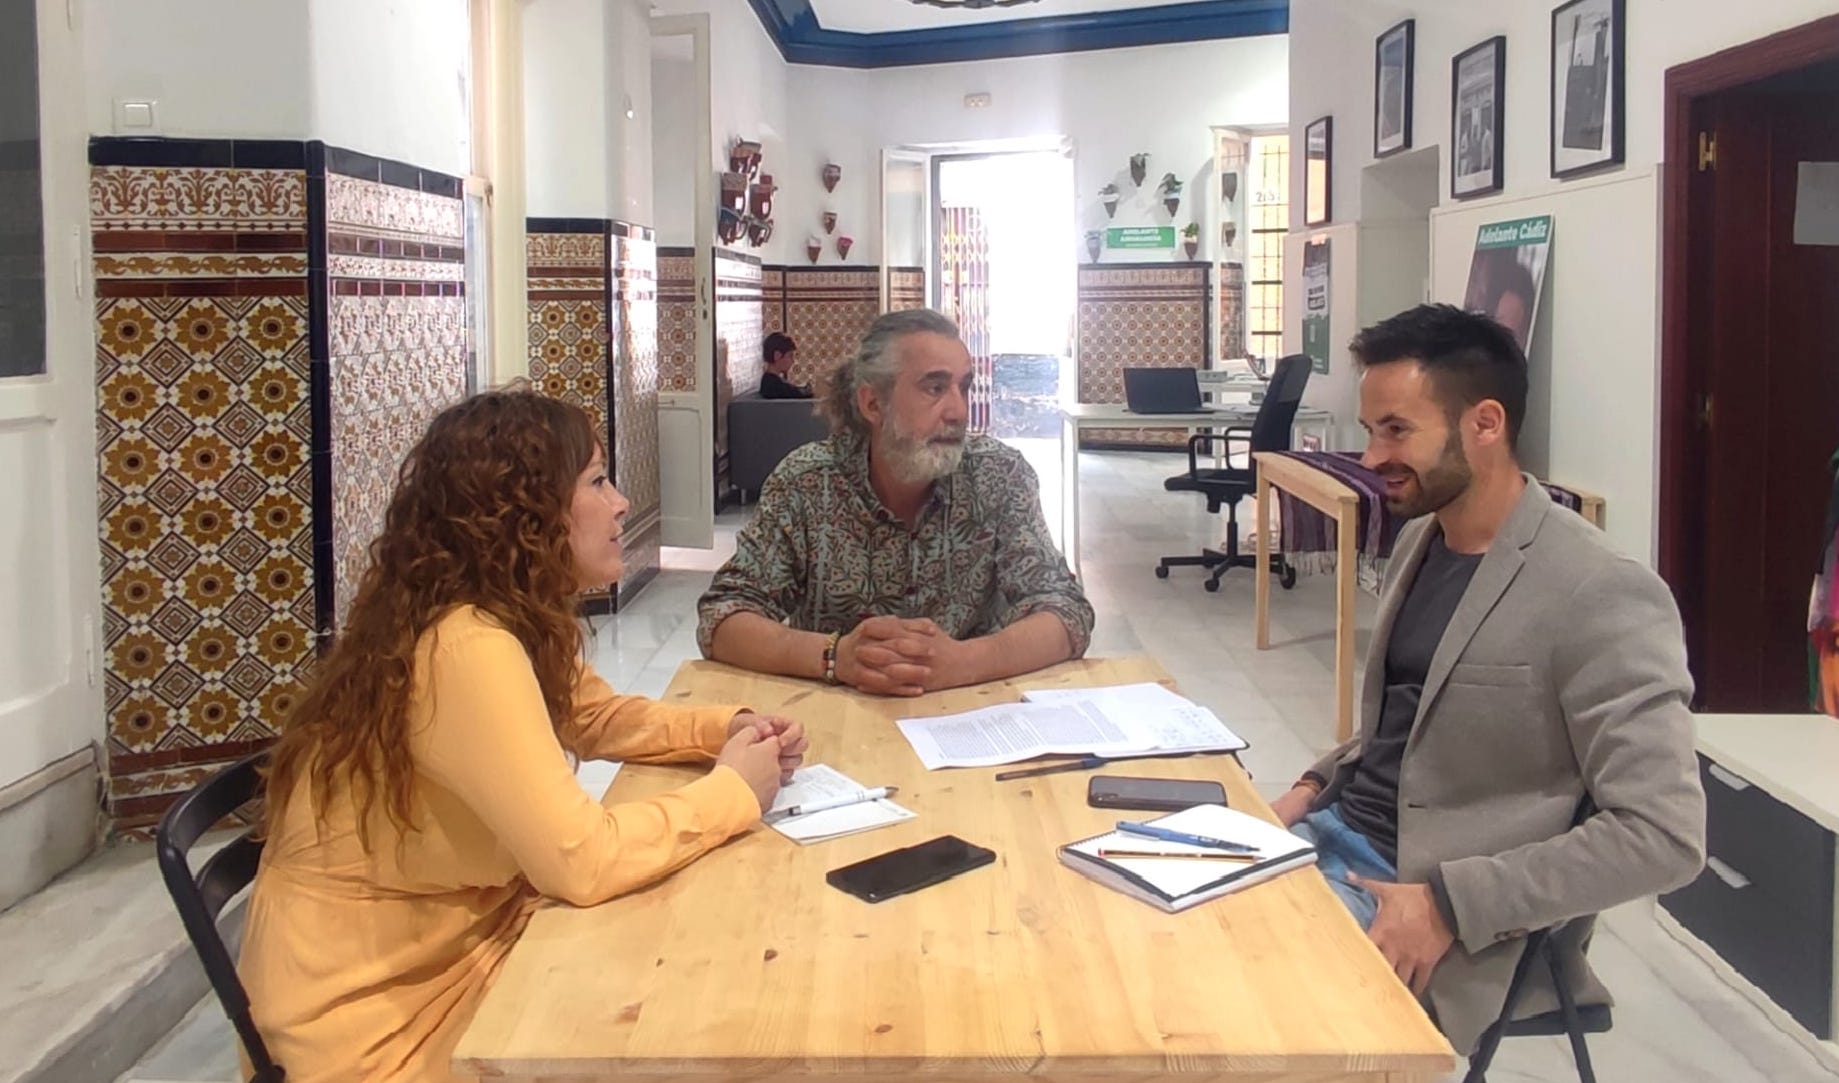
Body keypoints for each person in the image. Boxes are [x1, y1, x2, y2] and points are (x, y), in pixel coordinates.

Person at [239, 389, 808, 1083]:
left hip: (453, 946)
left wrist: (727, 725)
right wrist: (731, 793)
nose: (622, 502)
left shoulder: (488, 613)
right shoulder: (465, 645)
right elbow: (582, 860)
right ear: (524, 513)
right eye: (597, 481)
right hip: (381, 1024)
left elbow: (593, 715)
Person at [1264, 304, 1705, 1054]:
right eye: (1370, 431)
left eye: (1395, 430)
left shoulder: (1598, 590)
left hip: (1426, 892)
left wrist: (1444, 903)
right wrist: (1305, 789)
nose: (1371, 458)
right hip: (1331, 831)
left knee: (1211, 1007)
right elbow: (1406, 726)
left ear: (1486, 424)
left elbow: (1664, 833)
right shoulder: (1419, 540)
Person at [697, 308, 1094, 696]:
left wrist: (963, 662)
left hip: (971, 719)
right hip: (839, 730)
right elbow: (723, 616)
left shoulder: (999, 476)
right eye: (935, 388)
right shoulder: (806, 484)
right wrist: (836, 657)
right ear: (873, 404)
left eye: (964, 387)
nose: (958, 410)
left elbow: (1066, 611)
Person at [760, 332, 812, 399]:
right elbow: (797, 395)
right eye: (790, 356)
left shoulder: (771, 381)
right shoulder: (773, 386)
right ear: (777, 355)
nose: (793, 361)